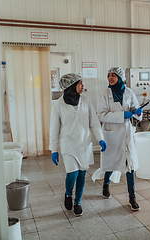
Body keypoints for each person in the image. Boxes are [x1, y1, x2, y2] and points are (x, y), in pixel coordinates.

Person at [49, 73, 107, 216]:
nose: (82, 86)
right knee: (72, 173)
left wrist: (100, 138)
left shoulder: (86, 101)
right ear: (71, 86)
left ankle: (78, 202)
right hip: (68, 146)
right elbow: (54, 129)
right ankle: (68, 194)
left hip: (84, 144)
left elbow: (94, 122)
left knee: (82, 173)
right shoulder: (58, 105)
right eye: (80, 83)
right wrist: (53, 149)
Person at [92, 67, 143, 211]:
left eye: (113, 75)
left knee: (130, 165)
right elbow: (101, 115)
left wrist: (137, 112)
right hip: (111, 134)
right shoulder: (104, 94)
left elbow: (135, 108)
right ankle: (106, 185)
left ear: (120, 78)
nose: (110, 78)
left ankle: (132, 198)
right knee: (111, 163)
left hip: (126, 134)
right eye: (108, 75)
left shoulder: (129, 92)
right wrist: (122, 115)